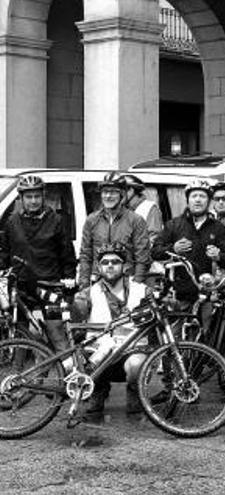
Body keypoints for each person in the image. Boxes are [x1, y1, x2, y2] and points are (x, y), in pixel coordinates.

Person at [73, 242, 151, 422]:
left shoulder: (142, 291)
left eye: (115, 262)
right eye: (105, 262)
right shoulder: (88, 294)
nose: (109, 265)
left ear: (125, 266)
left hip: (131, 352)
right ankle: (97, 392)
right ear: (99, 267)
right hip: (101, 355)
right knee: (78, 360)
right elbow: (76, 330)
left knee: (136, 365)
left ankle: (135, 394)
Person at [0, 175, 76, 352]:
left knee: (56, 334)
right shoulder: (12, 222)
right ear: (21, 198)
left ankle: (69, 373)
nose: (33, 201)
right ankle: (25, 378)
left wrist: (69, 278)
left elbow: (67, 254)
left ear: (43, 196)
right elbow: (4, 253)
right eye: (28, 197)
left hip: (49, 287)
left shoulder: (56, 221)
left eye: (37, 196)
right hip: (21, 288)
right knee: (23, 338)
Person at [151, 179, 225, 306]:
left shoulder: (218, 227)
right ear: (188, 200)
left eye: (202, 196)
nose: (198, 200)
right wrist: (173, 249)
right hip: (178, 295)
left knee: (206, 325)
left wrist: (218, 256)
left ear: (209, 201)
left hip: (207, 294)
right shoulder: (174, 225)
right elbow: (155, 252)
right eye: (194, 196)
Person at [78, 172, 151, 288]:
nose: (108, 196)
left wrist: (137, 285)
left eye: (113, 192)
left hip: (127, 283)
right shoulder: (91, 220)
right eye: (105, 192)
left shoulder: (136, 221)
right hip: (98, 283)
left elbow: (142, 258)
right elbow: (85, 255)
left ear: (122, 194)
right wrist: (84, 285)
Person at [122, 174, 163, 244]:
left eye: (120, 191)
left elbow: (154, 239)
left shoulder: (149, 208)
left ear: (130, 191)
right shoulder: (121, 209)